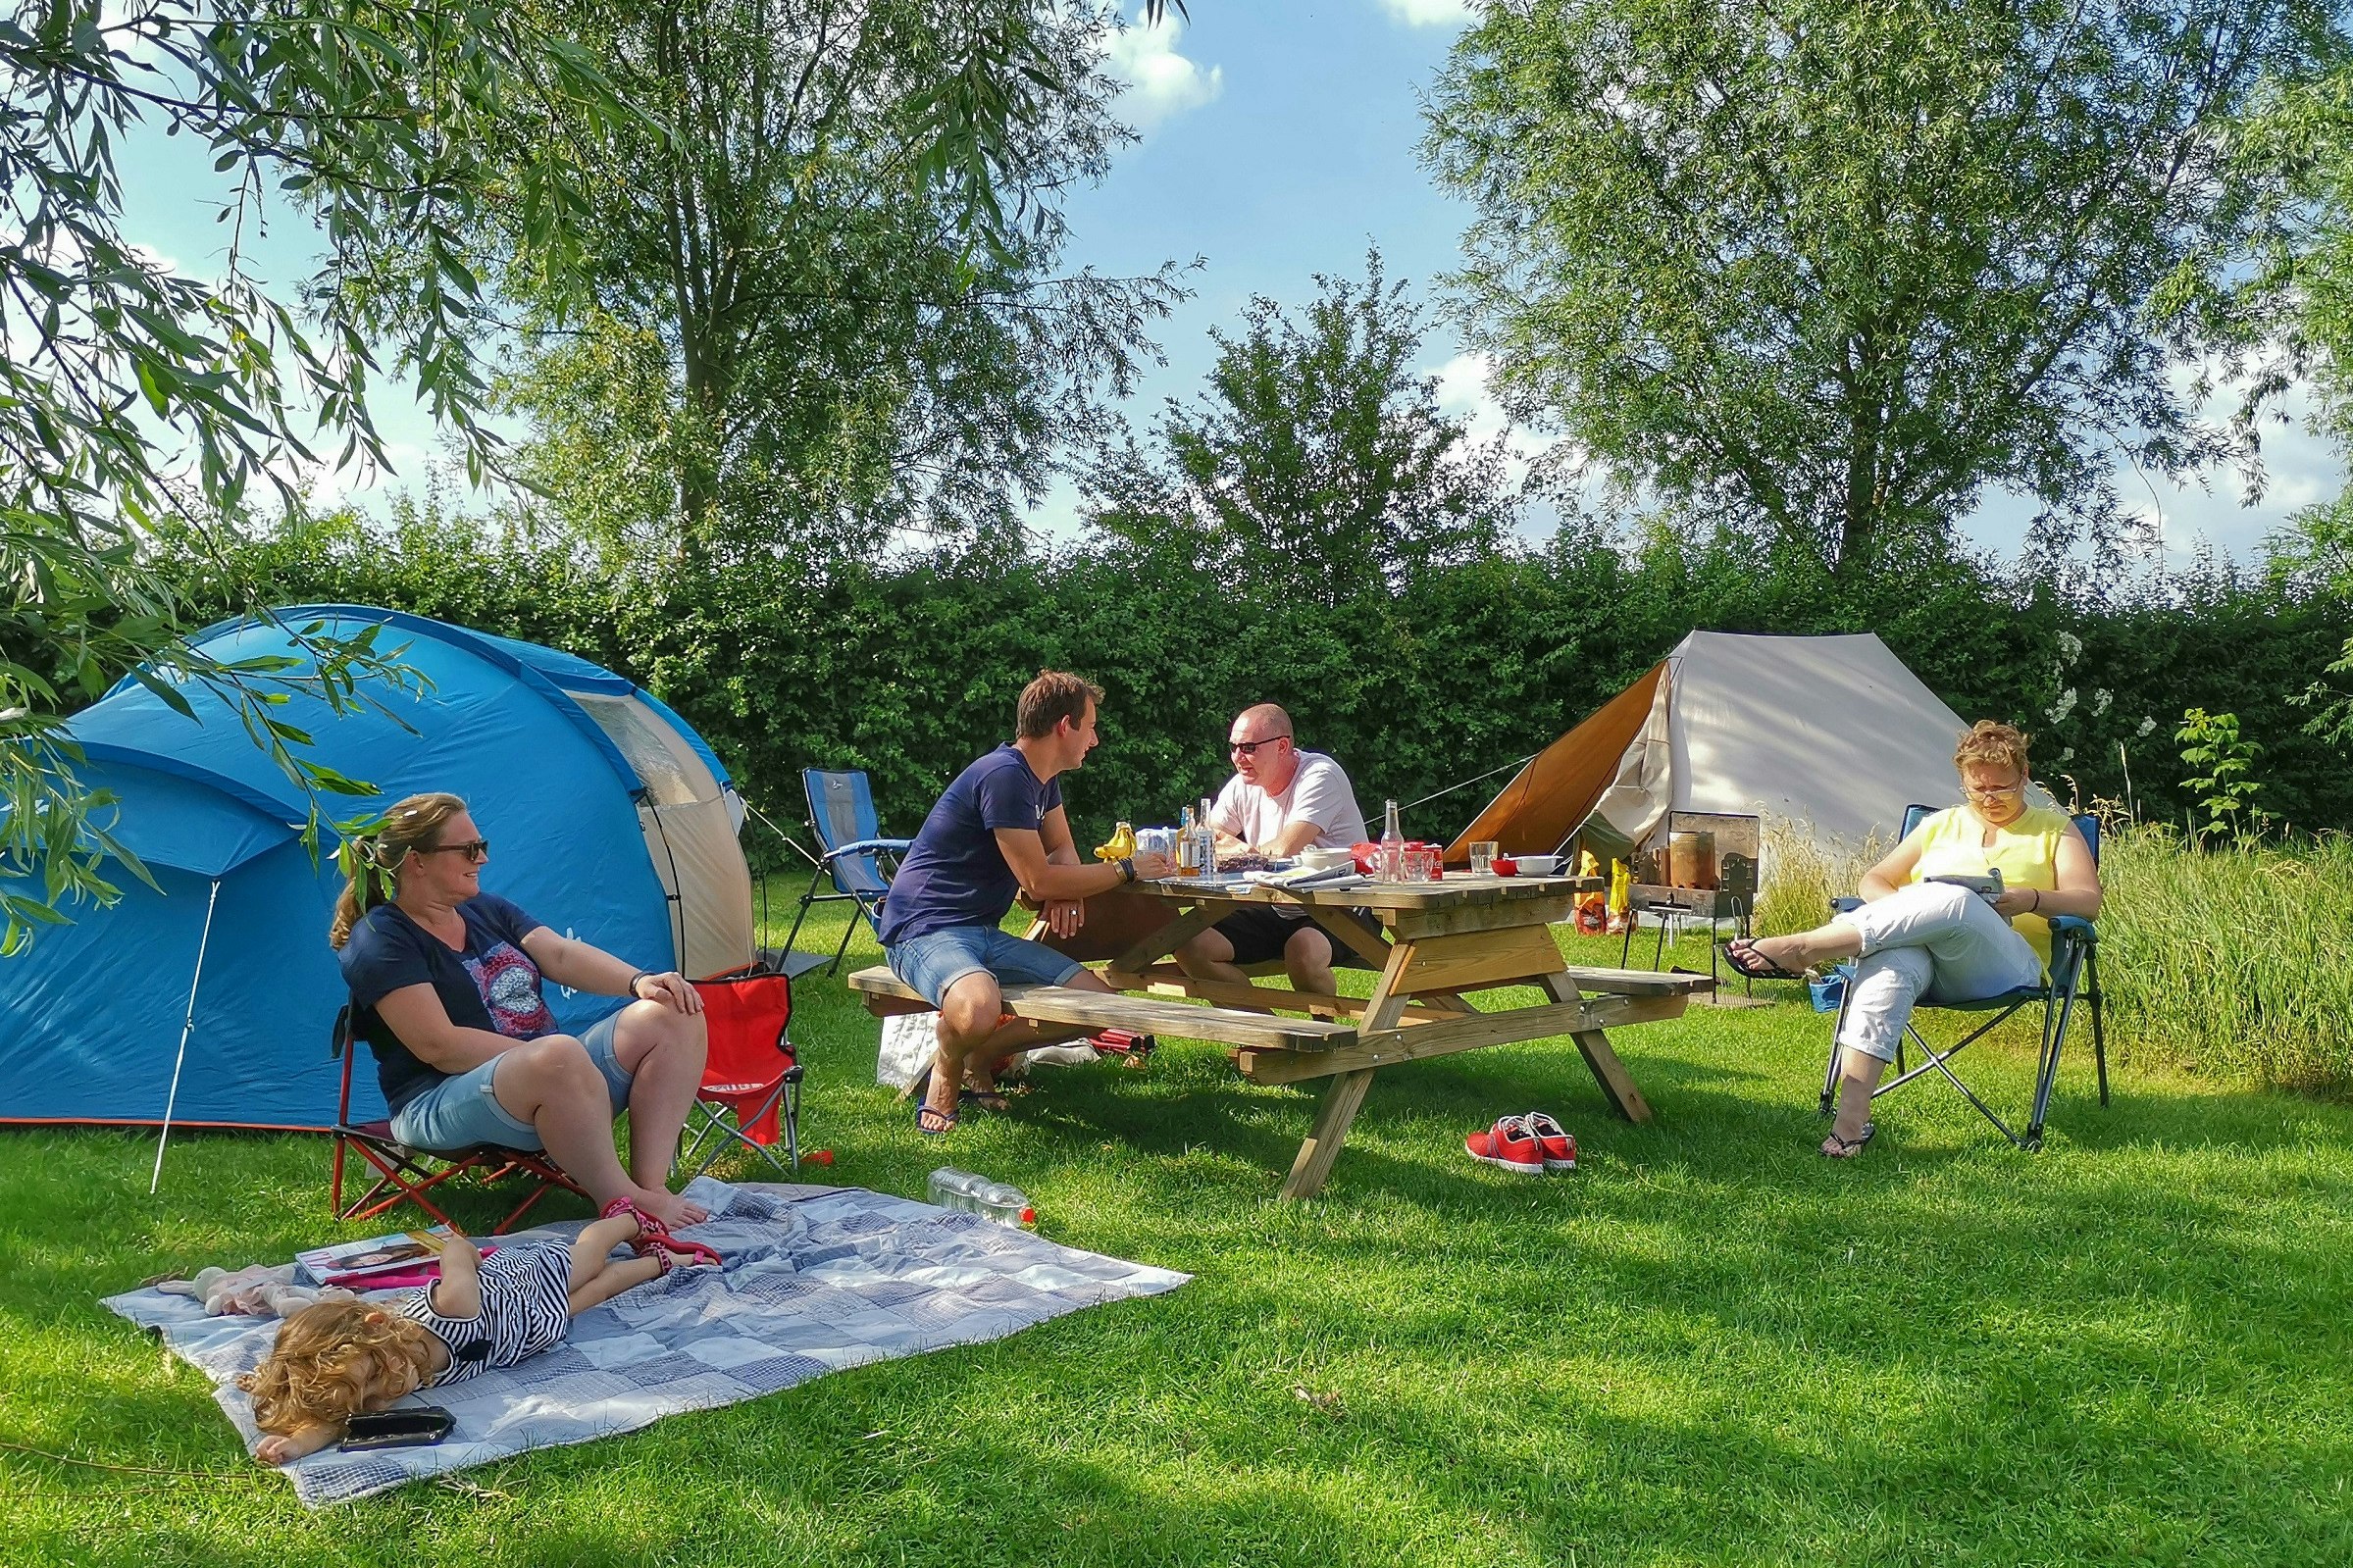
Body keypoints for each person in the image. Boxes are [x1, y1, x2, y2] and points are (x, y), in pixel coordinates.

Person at [1721, 721, 2103, 1159]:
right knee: (1891, 964)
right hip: (1928, 962)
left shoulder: (2055, 829)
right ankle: (1849, 1126)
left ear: (2025, 775)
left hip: (2005, 963)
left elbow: (2087, 901)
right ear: (1963, 781)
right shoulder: (1940, 824)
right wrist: (1910, 913)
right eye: (1978, 789)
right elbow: (1874, 880)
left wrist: (2029, 898)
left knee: (1956, 899)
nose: (1990, 798)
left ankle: (1806, 947)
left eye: (2002, 787)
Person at [331, 792, 712, 1228]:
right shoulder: (380, 938)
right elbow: (439, 1046)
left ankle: (652, 1186)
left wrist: (639, 982)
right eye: (469, 849)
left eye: (482, 845)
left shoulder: (484, 909)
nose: (483, 858)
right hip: (437, 1100)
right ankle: (623, 1202)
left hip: (550, 1074)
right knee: (559, 1054)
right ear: (417, 861)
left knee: (672, 1012)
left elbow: (560, 954)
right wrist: (552, 1061)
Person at [877, 670, 1175, 1136]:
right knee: (979, 1006)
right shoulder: (1004, 777)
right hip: (923, 929)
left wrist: (1065, 890)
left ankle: (981, 1056)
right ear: (1064, 726)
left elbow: (1060, 848)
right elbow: (1037, 880)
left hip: (983, 932)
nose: (1095, 740)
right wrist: (1127, 869)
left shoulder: (1042, 779)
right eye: (1090, 727)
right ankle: (947, 1067)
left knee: (1100, 1005)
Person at [241, 1205, 709, 1464]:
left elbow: (458, 1252)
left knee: (588, 1259)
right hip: (533, 1328)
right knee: (600, 1290)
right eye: (369, 1397)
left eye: (375, 1378)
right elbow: (338, 1418)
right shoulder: (372, 1379)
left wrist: (465, 1256)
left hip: (524, 1283)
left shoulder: (452, 1305)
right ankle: (660, 1262)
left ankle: (628, 1220)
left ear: (377, 1327)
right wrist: (297, 1443)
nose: (384, 1396)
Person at [1174, 703, 1370, 998]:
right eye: (1233, 747)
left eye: (1249, 748)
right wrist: (1247, 852)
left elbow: (1282, 850)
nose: (1238, 757)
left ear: (1282, 746)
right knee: (1190, 945)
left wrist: (1239, 850)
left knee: (1302, 950)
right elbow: (1205, 839)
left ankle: (1324, 1028)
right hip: (1278, 904)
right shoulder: (1244, 783)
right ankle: (1264, 1025)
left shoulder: (1320, 775)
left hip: (1340, 905)